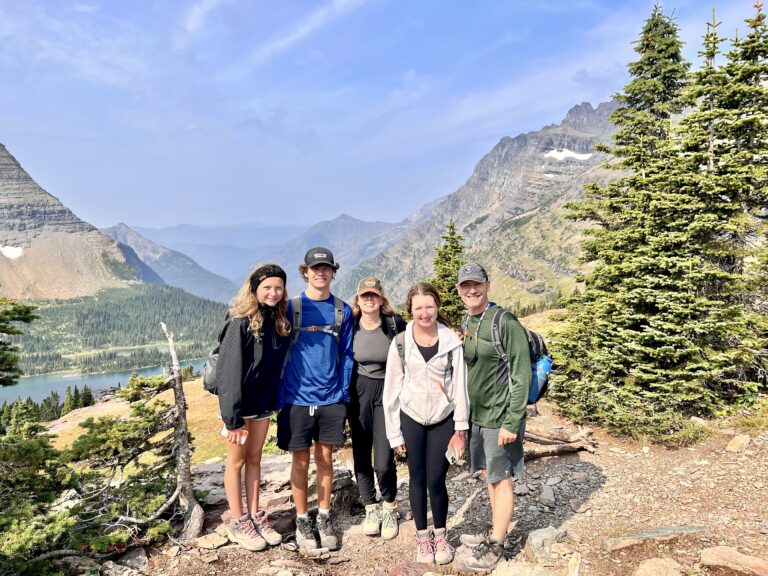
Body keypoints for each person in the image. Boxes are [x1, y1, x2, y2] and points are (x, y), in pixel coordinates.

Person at [383, 282, 469, 565]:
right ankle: (423, 538)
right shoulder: (401, 342)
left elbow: (459, 386)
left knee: (436, 479)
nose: (424, 313)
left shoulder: (451, 342)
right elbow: (391, 389)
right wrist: (394, 433)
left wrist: (461, 427)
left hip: (443, 418)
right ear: (410, 310)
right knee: (417, 479)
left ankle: (440, 535)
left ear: (437, 307)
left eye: (429, 306)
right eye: (418, 307)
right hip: (411, 417)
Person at [277, 247, 354, 551]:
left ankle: (323, 516)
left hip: (331, 399)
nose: (320, 273)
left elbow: (347, 354)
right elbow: (277, 351)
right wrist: (281, 398)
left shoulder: (342, 311)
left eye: (326, 268)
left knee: (325, 460)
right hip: (296, 400)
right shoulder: (290, 308)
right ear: (305, 272)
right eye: (314, 269)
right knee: (300, 461)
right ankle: (301, 520)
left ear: (333, 272)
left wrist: (343, 392)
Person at [455, 263, 530, 573]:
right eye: (465, 286)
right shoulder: (470, 320)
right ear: (459, 291)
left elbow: (521, 373)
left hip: (501, 416)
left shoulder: (505, 322)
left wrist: (512, 422)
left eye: (477, 284)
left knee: (501, 479)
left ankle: (497, 545)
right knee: (490, 474)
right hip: (480, 416)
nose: (472, 290)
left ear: (488, 285)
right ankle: (495, 532)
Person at [217, 263, 291, 551]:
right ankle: (238, 521)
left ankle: (256, 515)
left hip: (262, 404)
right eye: (267, 288)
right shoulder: (239, 322)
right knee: (236, 462)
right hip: (240, 407)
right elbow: (228, 371)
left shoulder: (278, 320)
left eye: (278, 287)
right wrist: (232, 418)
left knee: (255, 459)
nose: (273, 292)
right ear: (254, 289)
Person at [349, 277, 407, 540]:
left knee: (383, 460)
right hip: (358, 391)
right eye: (364, 296)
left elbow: (422, 336)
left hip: (388, 391)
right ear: (358, 300)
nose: (369, 300)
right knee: (361, 454)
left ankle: (389, 506)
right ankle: (370, 506)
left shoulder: (395, 325)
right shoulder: (349, 326)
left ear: (382, 299)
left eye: (374, 295)